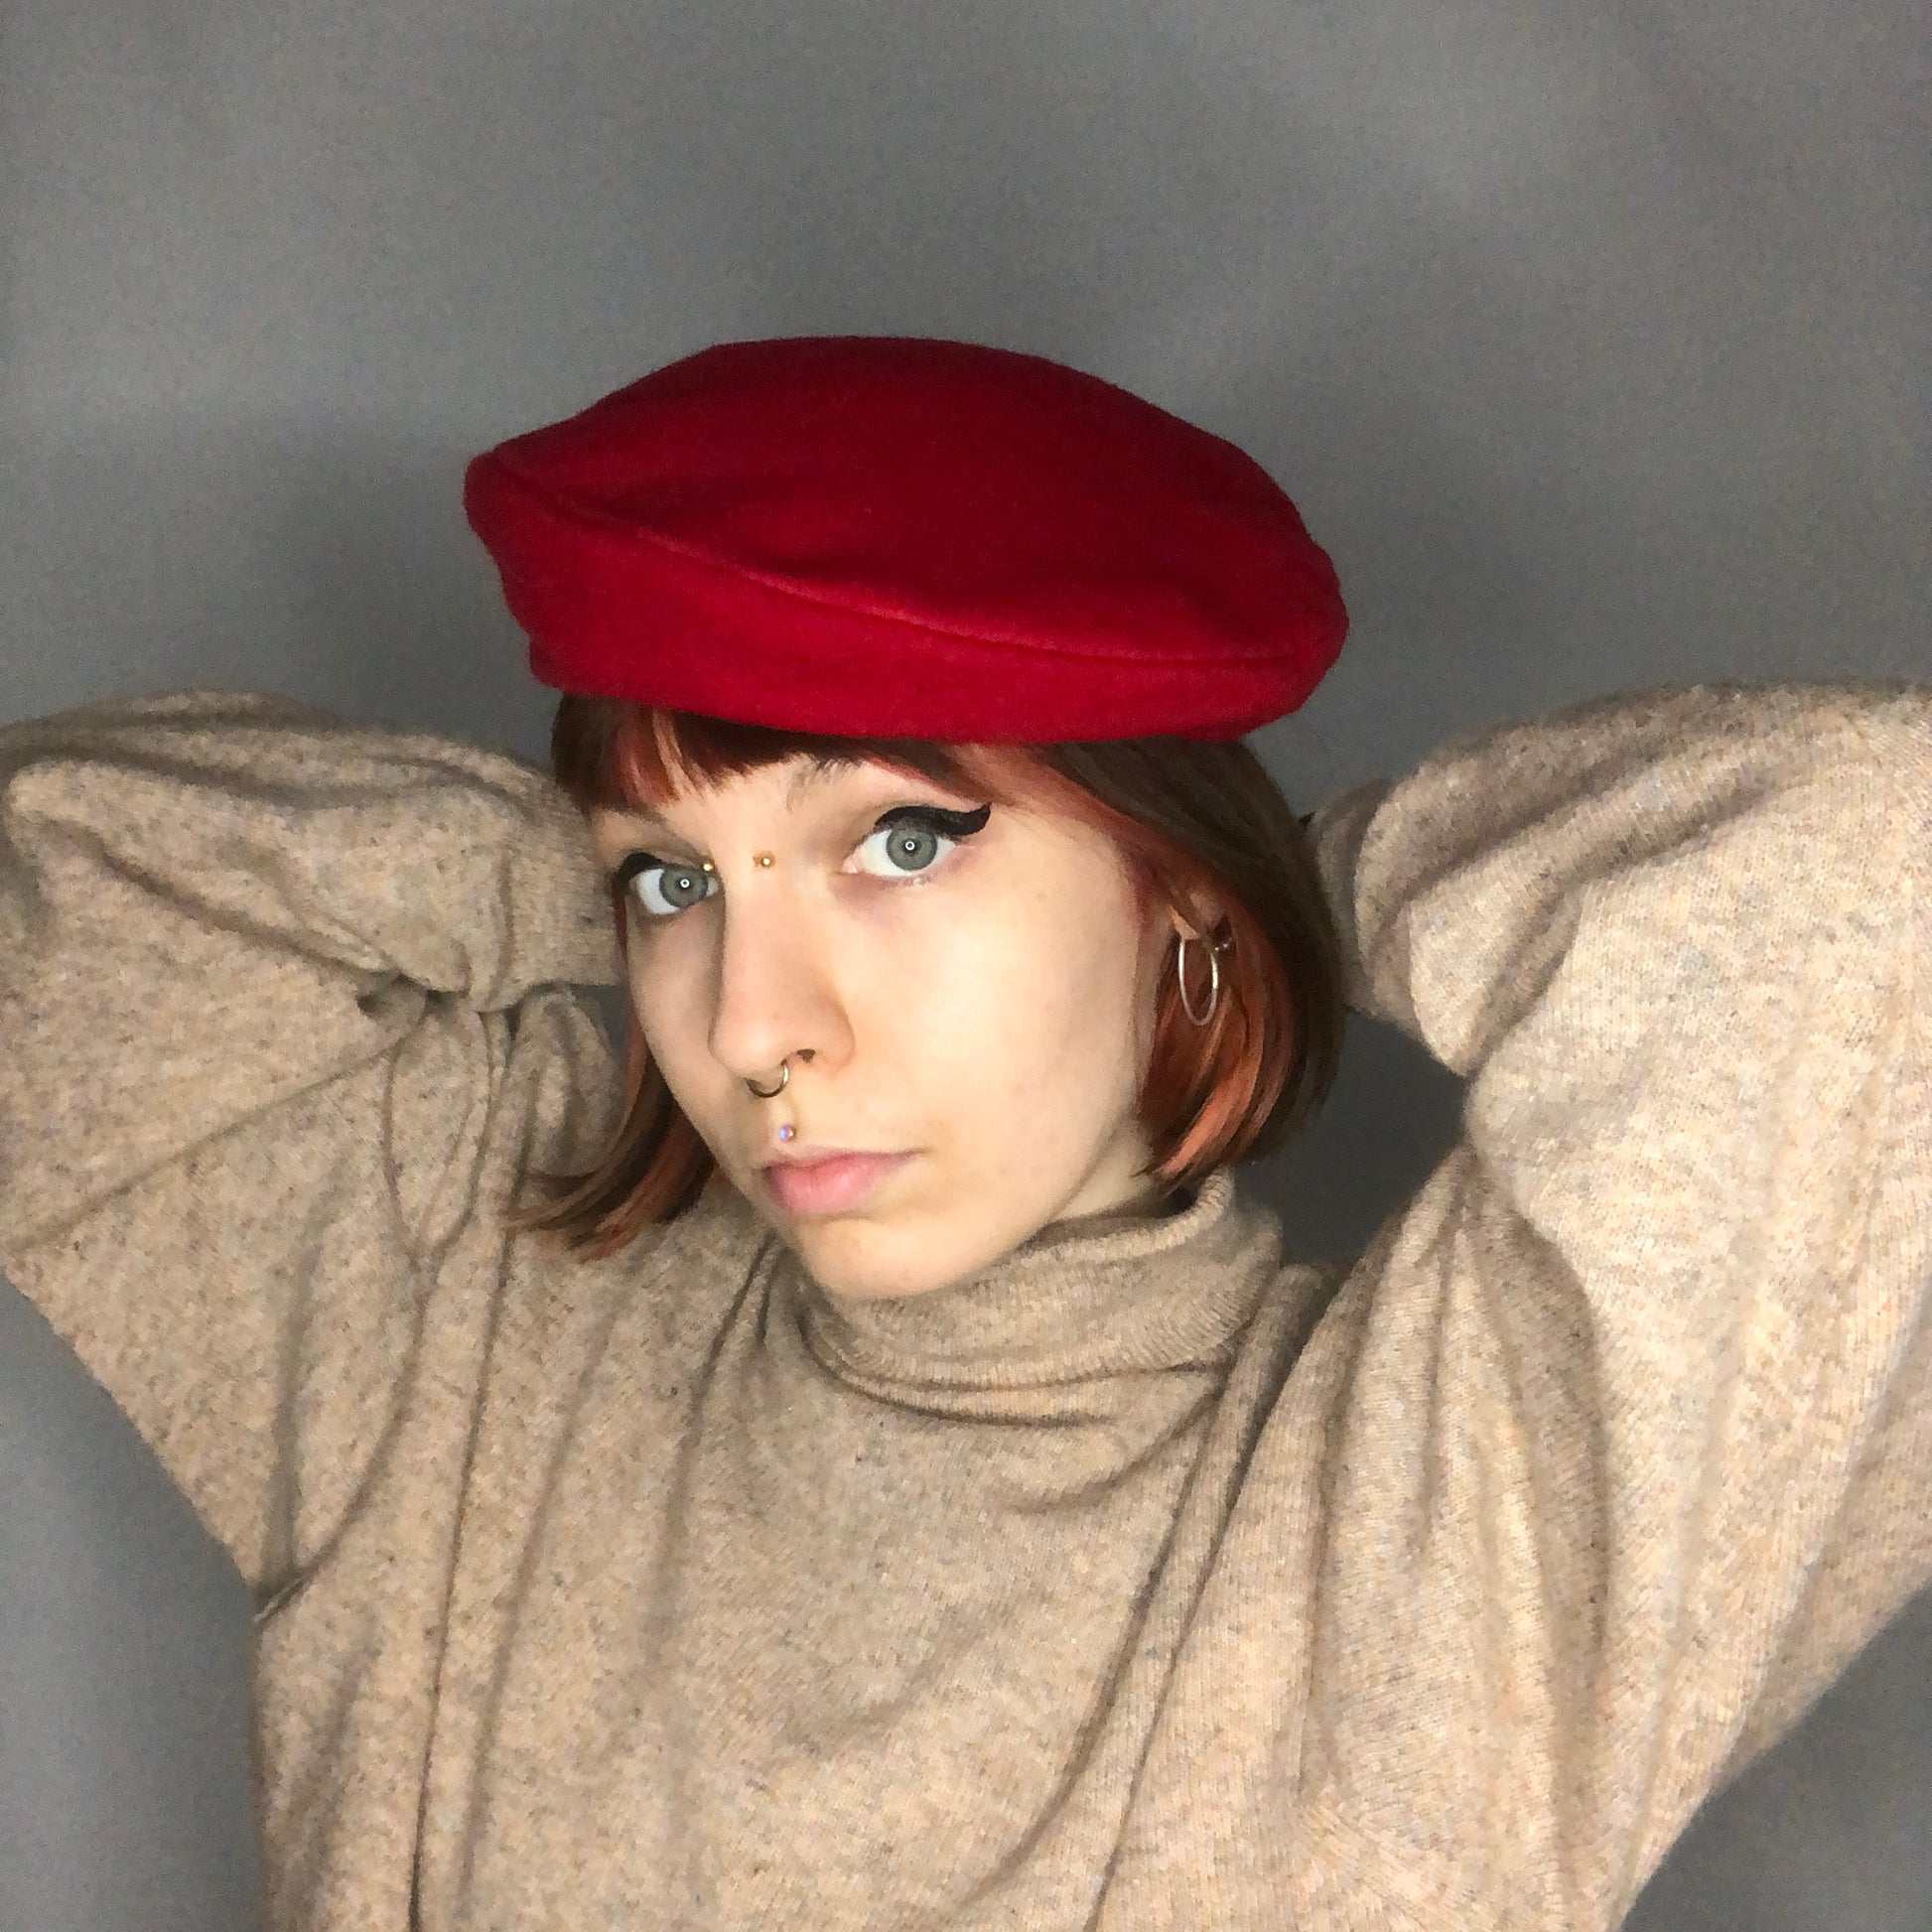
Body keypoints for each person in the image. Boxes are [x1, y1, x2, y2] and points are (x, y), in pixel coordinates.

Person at [0, 336, 1924, 1932]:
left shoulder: (1458, 1491)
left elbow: (1858, 862)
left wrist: (1266, 897)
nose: (752, 1024)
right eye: (669, 889)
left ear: (1173, 879)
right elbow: (52, 896)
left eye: (905, 840)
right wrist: (596, 858)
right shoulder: (467, 1322)